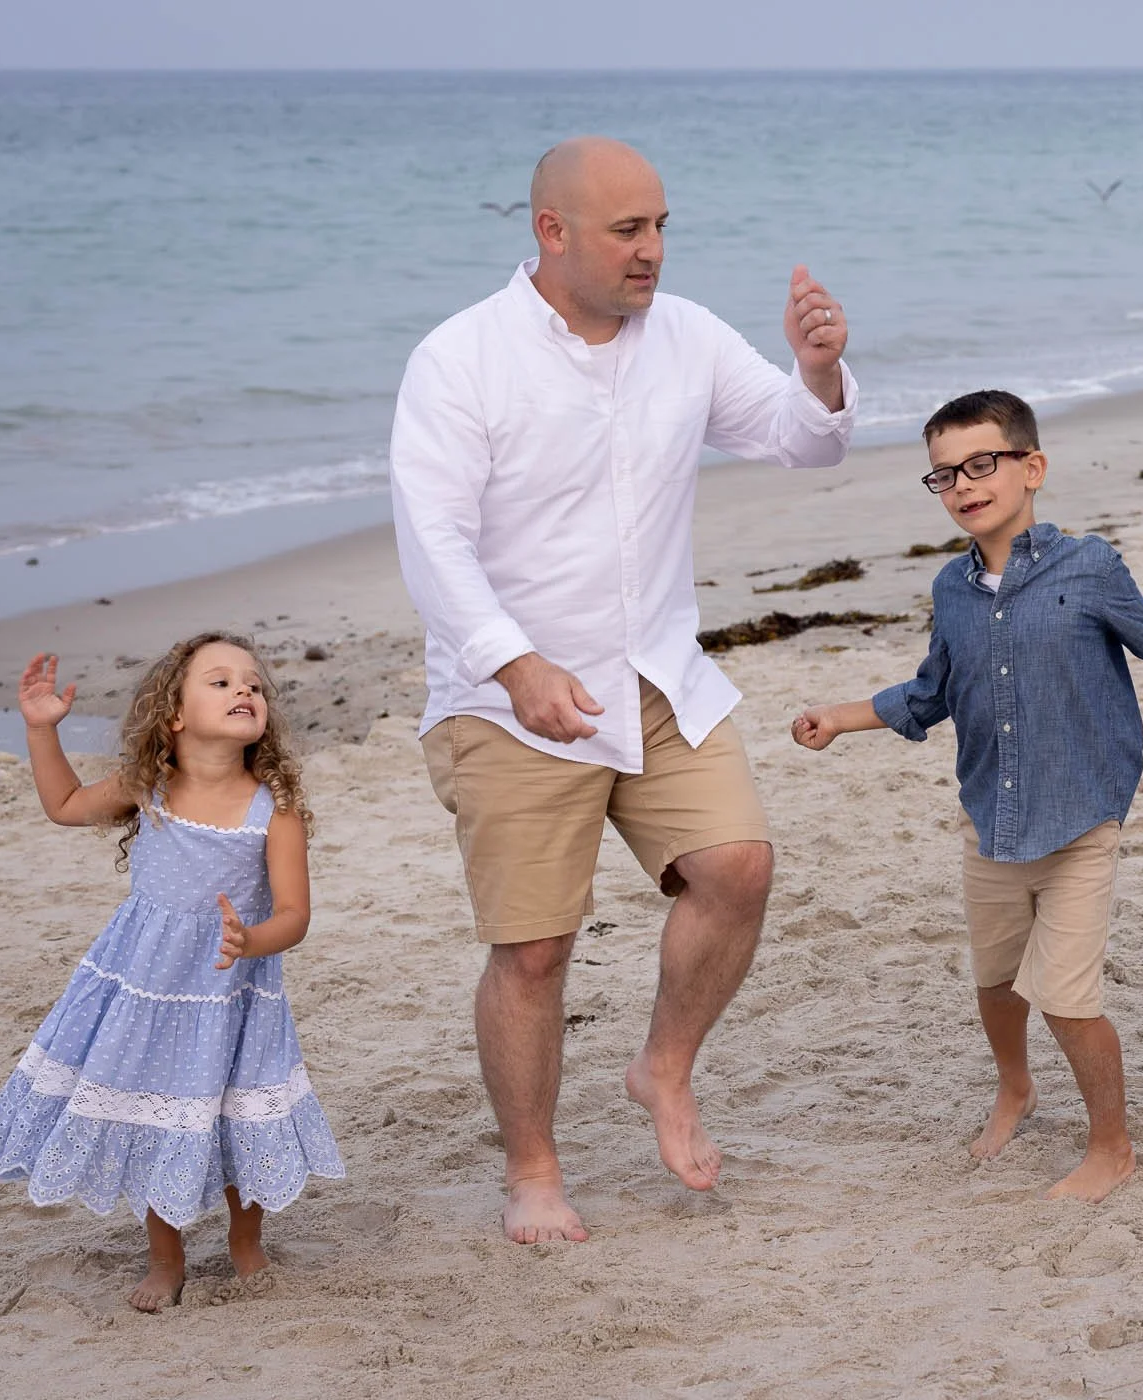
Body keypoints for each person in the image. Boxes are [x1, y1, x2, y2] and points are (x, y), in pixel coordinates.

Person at [390, 137, 856, 1244]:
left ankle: (664, 1065)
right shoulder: (461, 359)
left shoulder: (685, 334)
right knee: (537, 947)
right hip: (505, 693)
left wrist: (820, 371)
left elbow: (803, 443)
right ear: (552, 231)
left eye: (659, 226)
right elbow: (432, 538)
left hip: (655, 673)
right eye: (626, 230)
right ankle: (534, 1167)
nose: (651, 250)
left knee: (737, 866)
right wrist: (515, 663)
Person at [790, 390, 1143, 1202]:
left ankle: (1112, 1144)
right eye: (943, 475)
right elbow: (931, 693)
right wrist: (842, 716)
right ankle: (1016, 1088)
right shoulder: (950, 591)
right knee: (997, 984)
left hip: (1079, 821)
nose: (964, 484)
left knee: (1068, 998)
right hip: (991, 823)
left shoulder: (1090, 567)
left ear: (1031, 468)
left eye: (981, 464)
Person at [0, 637, 344, 1312]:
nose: (244, 692)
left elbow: (295, 914)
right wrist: (40, 728)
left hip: (233, 995)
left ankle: (245, 1245)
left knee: (235, 1116)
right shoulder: (149, 790)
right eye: (221, 681)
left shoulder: (274, 809)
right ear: (172, 714)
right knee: (155, 1115)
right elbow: (64, 804)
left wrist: (250, 939)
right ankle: (165, 1259)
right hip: (146, 990)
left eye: (253, 685)